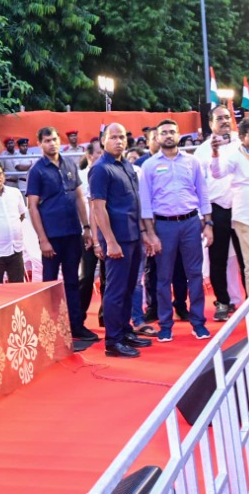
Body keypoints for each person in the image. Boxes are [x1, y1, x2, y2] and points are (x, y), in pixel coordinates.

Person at [140, 120, 212, 341]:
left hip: (191, 223)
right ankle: (165, 325)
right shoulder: (149, 166)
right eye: (164, 133)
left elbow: (203, 192)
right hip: (163, 226)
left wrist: (209, 224)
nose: (169, 135)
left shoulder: (192, 161)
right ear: (157, 137)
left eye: (172, 132)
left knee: (195, 275)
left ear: (179, 135)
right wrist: (150, 233)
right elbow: (145, 202)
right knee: (163, 277)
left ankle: (198, 322)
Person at [90, 124, 155, 358]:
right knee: (115, 291)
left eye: (122, 137)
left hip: (133, 236)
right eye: (113, 137)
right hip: (117, 239)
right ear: (103, 140)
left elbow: (135, 203)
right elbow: (98, 208)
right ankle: (113, 341)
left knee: (129, 288)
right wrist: (109, 241)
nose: (118, 141)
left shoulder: (127, 165)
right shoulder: (100, 169)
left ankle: (125, 331)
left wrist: (143, 233)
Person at [26, 127, 95, 340]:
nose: (52, 143)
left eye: (55, 139)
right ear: (40, 144)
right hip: (51, 236)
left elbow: (79, 198)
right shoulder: (37, 171)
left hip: (73, 232)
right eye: (47, 140)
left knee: (73, 281)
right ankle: (50, 329)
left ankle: (76, 326)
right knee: (49, 284)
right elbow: (32, 206)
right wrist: (43, 240)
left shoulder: (70, 164)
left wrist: (86, 228)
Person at [217, 118, 249, 318]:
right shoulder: (233, 155)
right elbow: (218, 172)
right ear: (242, 136)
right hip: (246, 216)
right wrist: (214, 155)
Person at [204, 110, 245, 321]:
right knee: (218, 258)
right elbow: (199, 187)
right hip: (217, 208)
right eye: (219, 118)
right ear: (210, 123)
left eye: (227, 117)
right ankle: (222, 302)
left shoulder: (243, 142)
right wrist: (206, 220)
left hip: (242, 207)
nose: (225, 121)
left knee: (247, 257)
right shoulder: (202, 151)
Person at [77, 138, 108, 330]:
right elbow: (79, 205)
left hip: (107, 233)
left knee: (107, 278)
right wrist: (86, 229)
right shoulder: (80, 176)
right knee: (87, 276)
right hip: (86, 234)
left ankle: (106, 317)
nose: (102, 155)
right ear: (89, 155)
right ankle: (79, 319)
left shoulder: (108, 173)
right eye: (98, 152)